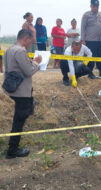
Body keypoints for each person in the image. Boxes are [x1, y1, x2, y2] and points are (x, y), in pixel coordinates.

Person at [3, 29, 42, 159]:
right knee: (18, 120)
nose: (30, 44)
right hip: (21, 91)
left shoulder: (10, 49)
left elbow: (17, 67)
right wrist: (37, 62)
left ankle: (13, 147)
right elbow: (28, 71)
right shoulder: (20, 50)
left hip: (14, 88)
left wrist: (30, 62)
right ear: (25, 39)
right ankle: (13, 150)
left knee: (19, 118)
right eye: (30, 42)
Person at [81, 0, 101, 78]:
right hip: (90, 40)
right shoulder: (86, 15)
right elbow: (83, 27)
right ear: (91, 6)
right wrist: (83, 40)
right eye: (94, 6)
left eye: (97, 6)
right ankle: (90, 73)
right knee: (91, 57)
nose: (95, 8)